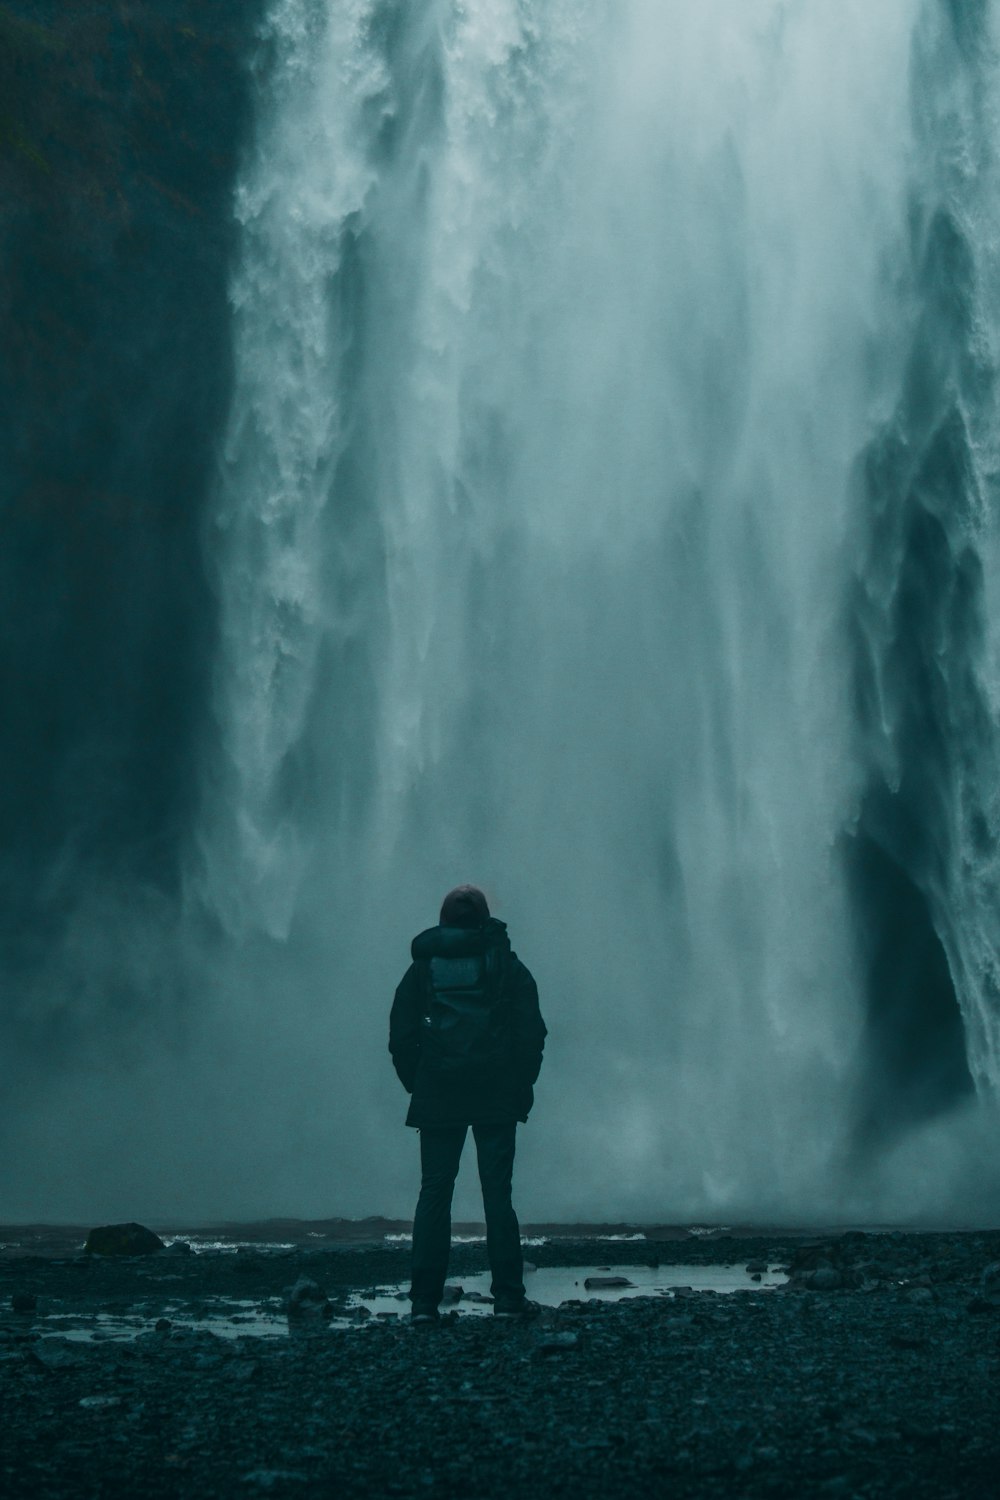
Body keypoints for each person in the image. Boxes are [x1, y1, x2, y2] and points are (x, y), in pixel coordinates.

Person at [389, 885, 546, 1322]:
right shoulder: (505, 965)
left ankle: (423, 1302)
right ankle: (509, 1298)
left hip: (438, 1095)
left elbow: (401, 1037)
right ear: (483, 918)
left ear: (442, 920)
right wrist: (520, 1084)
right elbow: (532, 1033)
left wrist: (418, 1084)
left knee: (435, 1194)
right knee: (498, 1196)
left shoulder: (422, 970)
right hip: (496, 1095)